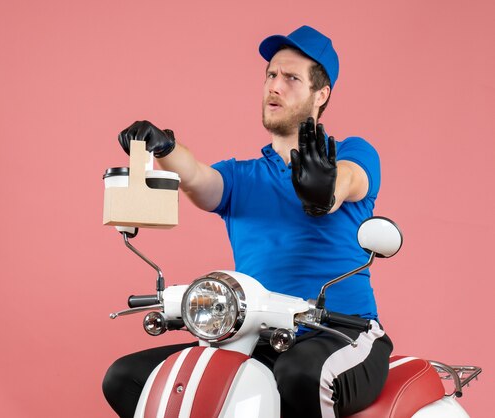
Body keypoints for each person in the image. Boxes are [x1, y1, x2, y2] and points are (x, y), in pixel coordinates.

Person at [103, 25, 393, 418]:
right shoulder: (242, 177)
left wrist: (323, 189)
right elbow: (199, 178)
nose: (275, 86)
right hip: (256, 336)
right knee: (127, 377)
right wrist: (166, 148)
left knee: (300, 375)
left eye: (291, 78)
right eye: (271, 75)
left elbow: (349, 181)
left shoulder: (353, 153)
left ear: (320, 95)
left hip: (342, 333)